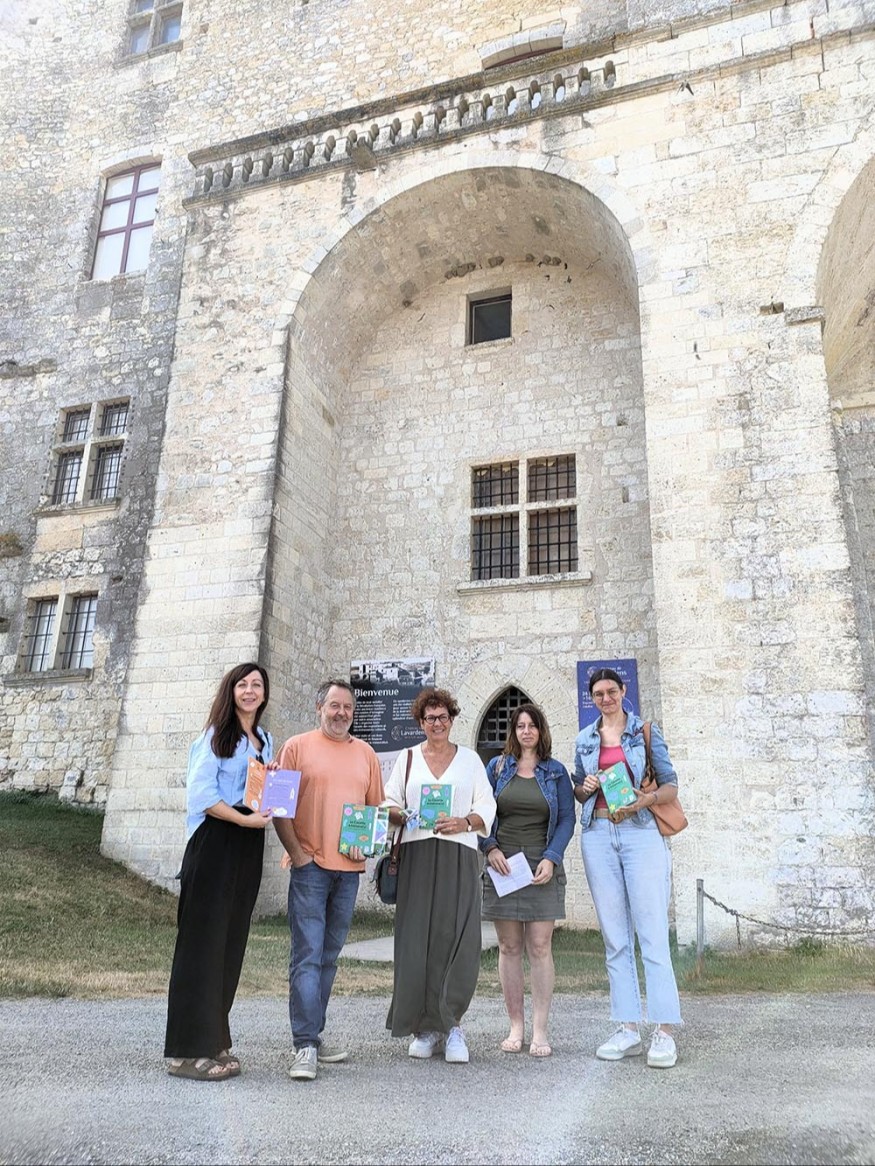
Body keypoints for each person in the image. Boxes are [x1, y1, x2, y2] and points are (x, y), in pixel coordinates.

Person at [164, 662, 274, 1081]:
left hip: (248, 844)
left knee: (230, 944)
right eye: (242, 684)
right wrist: (244, 819)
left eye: (257, 685)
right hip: (215, 840)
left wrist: (271, 795)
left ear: (264, 694)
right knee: (201, 944)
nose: (250, 691)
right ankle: (185, 1053)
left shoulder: (264, 740)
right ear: (231, 691)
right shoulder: (214, 737)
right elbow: (202, 796)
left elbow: (262, 793)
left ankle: (214, 1040)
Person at [273, 679, 383, 1081]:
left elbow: (374, 812)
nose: (341, 713)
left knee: (329, 957)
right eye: (334, 706)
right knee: (307, 954)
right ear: (319, 707)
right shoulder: (296, 747)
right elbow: (277, 806)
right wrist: (299, 855)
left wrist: (365, 846)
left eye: (348, 708)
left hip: (348, 874)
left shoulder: (366, 754)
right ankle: (304, 1044)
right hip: (310, 869)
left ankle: (312, 1038)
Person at [573, 667, 683, 1069]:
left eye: (611, 691)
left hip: (640, 833)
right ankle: (627, 1027)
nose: (606, 698)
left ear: (623, 691)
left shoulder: (644, 732)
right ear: (592, 698)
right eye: (598, 694)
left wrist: (645, 800)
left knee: (652, 932)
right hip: (598, 833)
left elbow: (670, 785)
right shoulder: (584, 739)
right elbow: (579, 789)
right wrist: (584, 788)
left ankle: (664, 1030)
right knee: (615, 937)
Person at [383, 687, 496, 1065]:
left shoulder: (470, 760)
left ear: (451, 719)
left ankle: (452, 1024)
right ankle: (425, 1027)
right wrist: (404, 814)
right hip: (417, 852)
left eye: (443, 717)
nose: (437, 723)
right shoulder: (408, 758)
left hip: (458, 852)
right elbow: (389, 801)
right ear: (420, 722)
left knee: (456, 936)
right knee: (417, 938)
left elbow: (487, 804)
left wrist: (464, 822)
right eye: (430, 718)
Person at [481, 703, 575, 1057]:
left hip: (540, 865)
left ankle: (540, 1030)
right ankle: (515, 1026)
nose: (526, 731)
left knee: (539, 946)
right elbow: (481, 812)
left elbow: (566, 819)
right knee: (509, 947)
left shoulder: (556, 772)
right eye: (520, 725)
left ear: (540, 730)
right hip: (504, 865)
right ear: (513, 731)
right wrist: (490, 847)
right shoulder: (497, 767)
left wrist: (552, 857)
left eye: (532, 725)